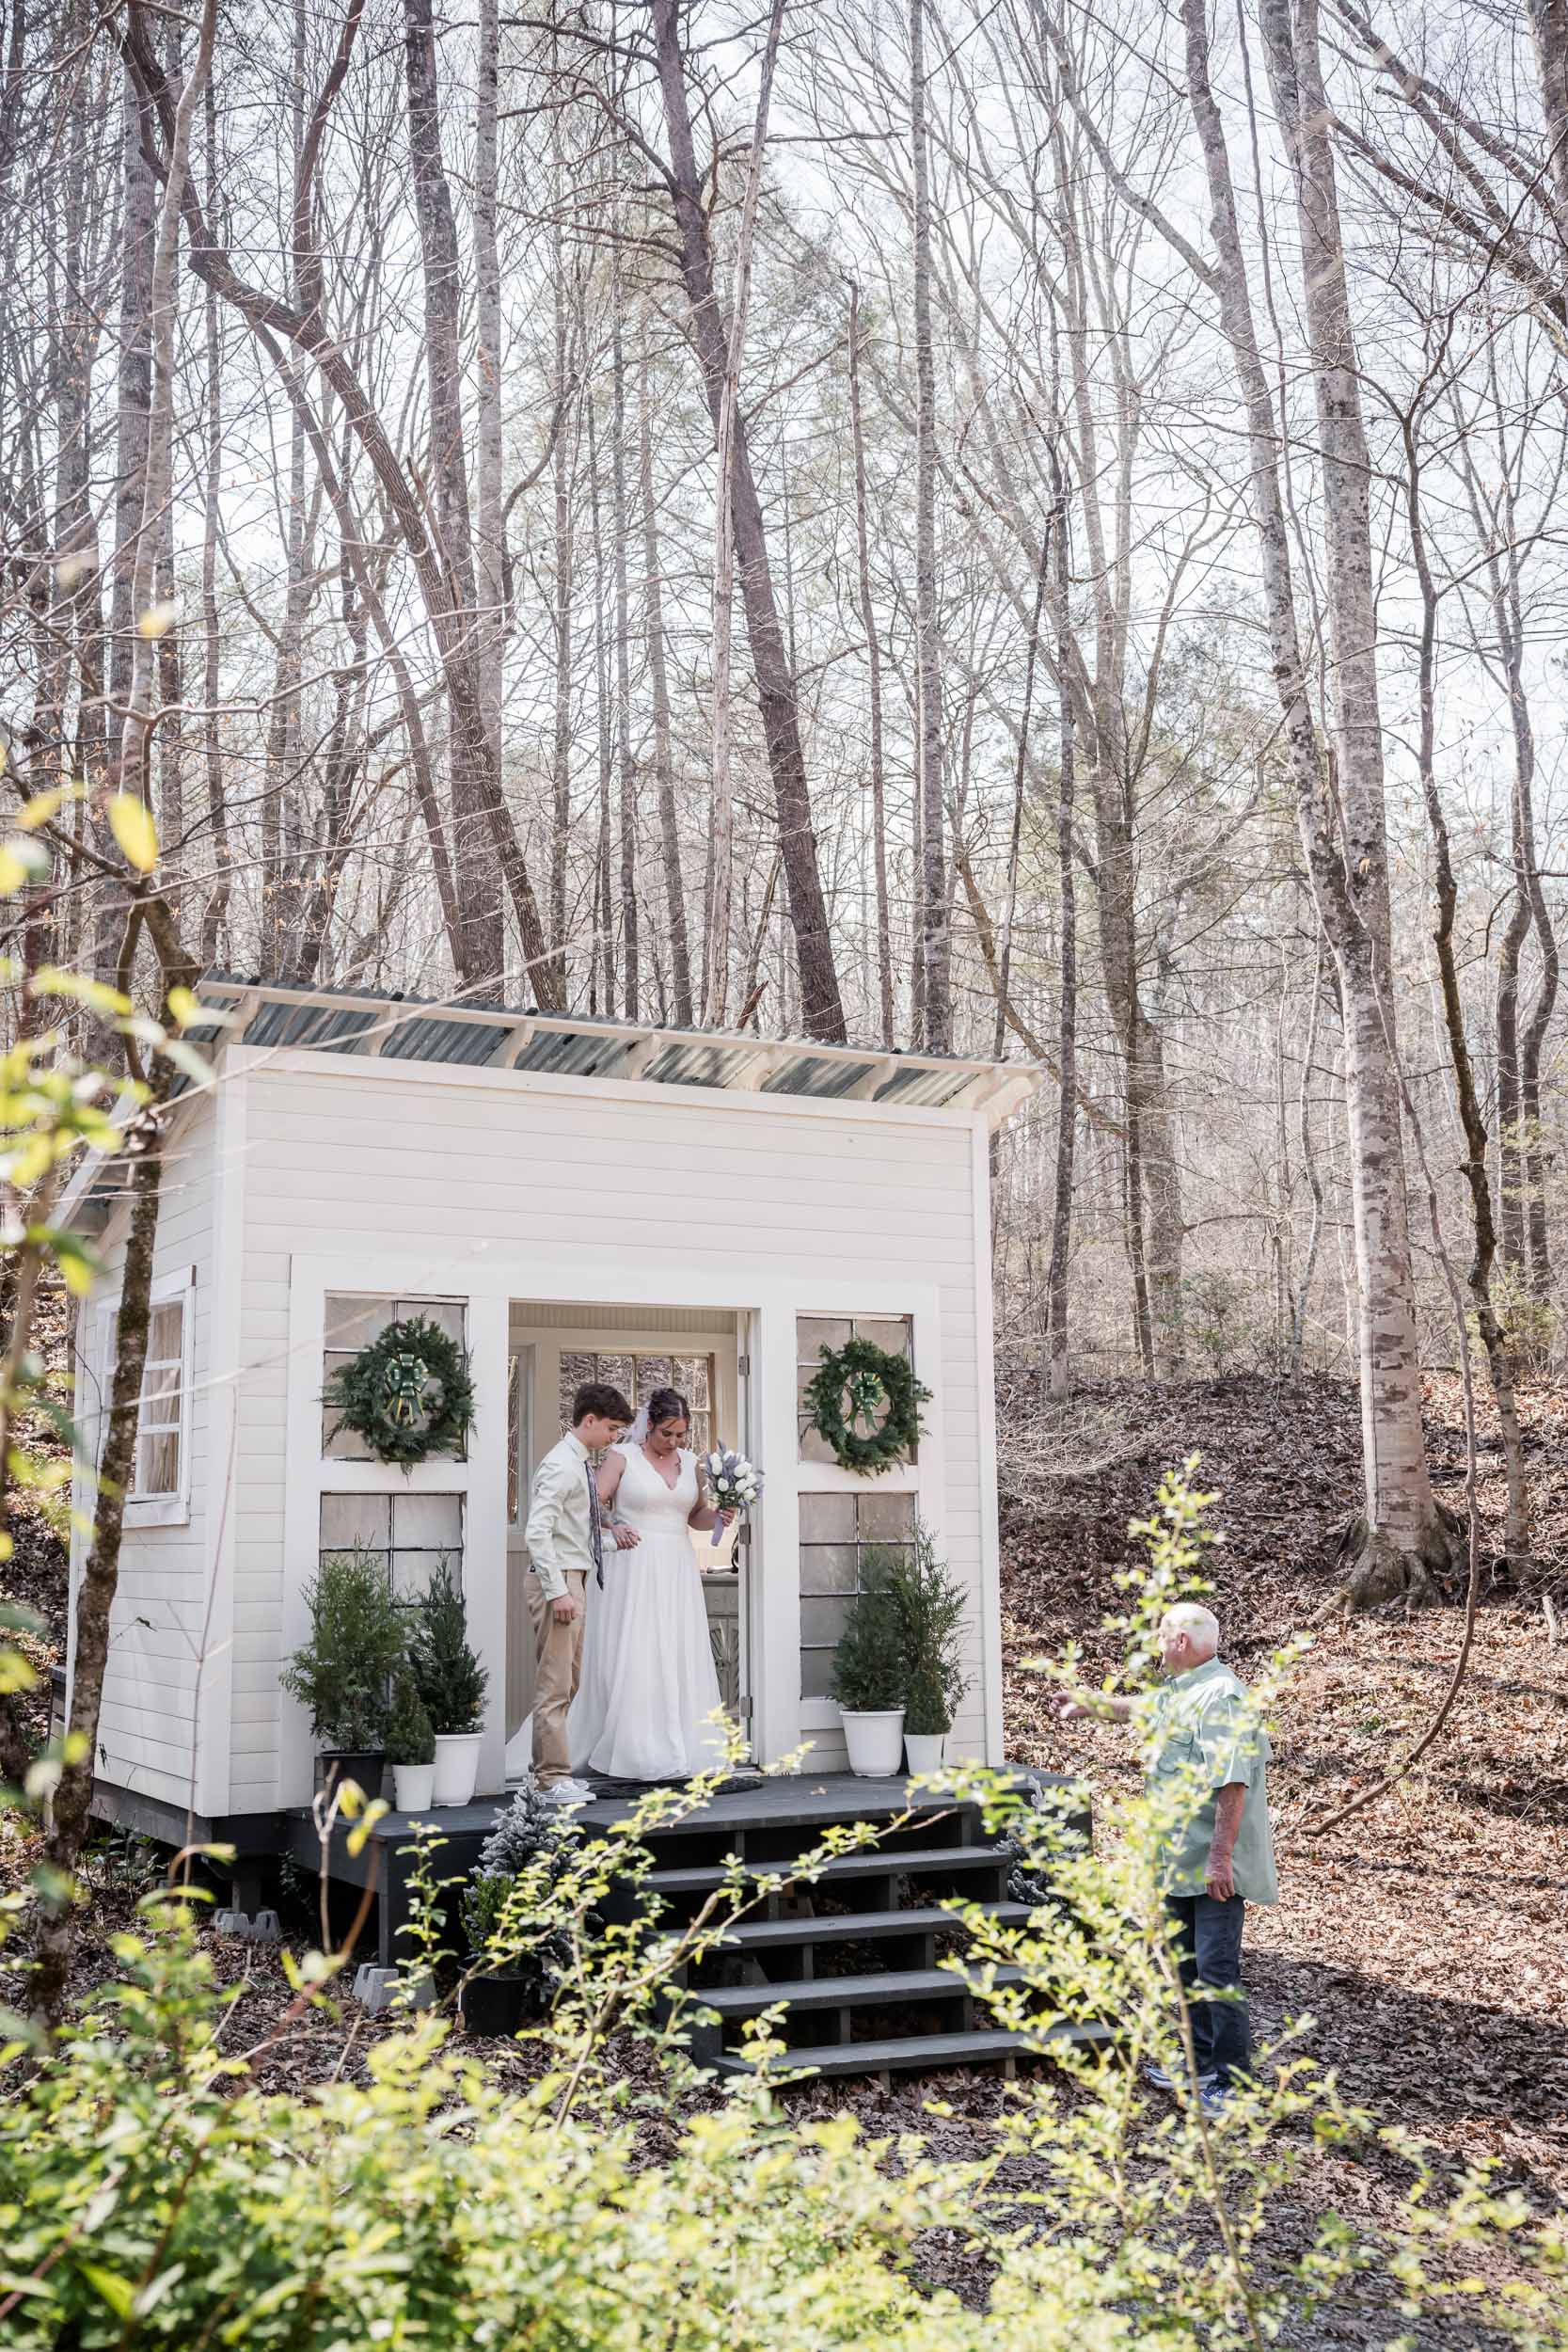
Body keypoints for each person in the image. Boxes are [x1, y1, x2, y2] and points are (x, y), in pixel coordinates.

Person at [1058, 1603, 1277, 2112]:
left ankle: (1234, 2086)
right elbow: (1143, 1708)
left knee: (1216, 1970)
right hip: (1178, 1862)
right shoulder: (1185, 1691)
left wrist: (1220, 1857)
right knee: (1185, 1967)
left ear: (1180, 1641)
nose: (1157, 1646)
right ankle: (1200, 2067)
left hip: (1212, 1869)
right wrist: (1089, 1703)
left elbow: (1232, 1782)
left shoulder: (1221, 1697)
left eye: (1161, 1637)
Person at [568, 1386, 735, 1784]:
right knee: (639, 1651)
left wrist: (718, 1517)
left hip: (676, 1566)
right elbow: (593, 1503)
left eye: (681, 1434)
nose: (674, 1442)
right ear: (649, 1425)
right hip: (633, 1565)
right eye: (666, 1433)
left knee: (675, 1650)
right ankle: (635, 1748)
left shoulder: (691, 1463)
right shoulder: (622, 1456)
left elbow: (693, 1515)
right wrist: (614, 1525)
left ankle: (681, 1745)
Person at [524, 1379, 636, 1803]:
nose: (614, 1438)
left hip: (575, 1577)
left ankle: (552, 1773)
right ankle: (550, 1780)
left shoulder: (581, 1463)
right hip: (559, 1581)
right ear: (589, 1420)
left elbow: (574, 1527)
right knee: (554, 1684)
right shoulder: (561, 1465)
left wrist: (613, 1536)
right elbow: (538, 1533)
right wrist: (558, 1592)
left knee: (568, 1682)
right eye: (611, 1428)